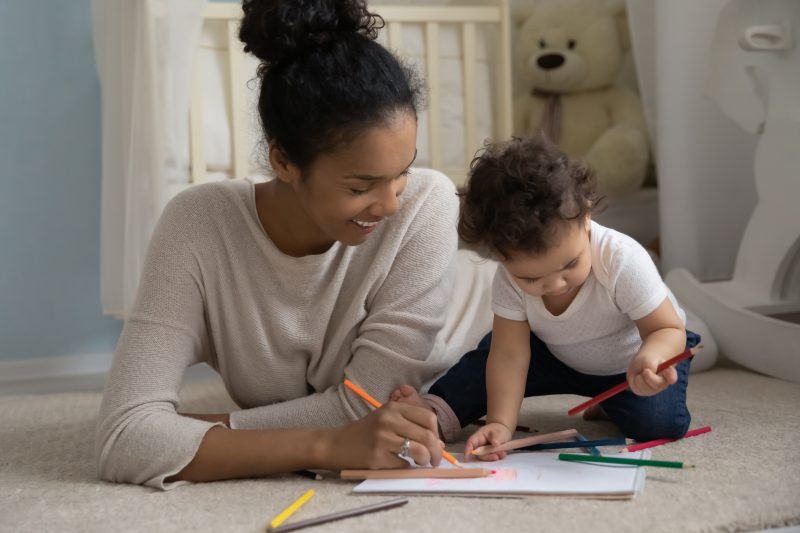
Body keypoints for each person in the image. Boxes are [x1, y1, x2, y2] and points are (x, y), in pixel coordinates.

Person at [95, 0, 493, 489]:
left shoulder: (425, 204)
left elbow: (360, 405)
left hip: (515, 330)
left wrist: (200, 431)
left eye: (402, 172)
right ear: (284, 162)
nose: (389, 204)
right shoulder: (197, 226)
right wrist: (324, 445)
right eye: (359, 186)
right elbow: (123, 439)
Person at [392, 136, 701, 459]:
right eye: (531, 278)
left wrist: (652, 358)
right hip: (553, 351)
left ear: (585, 218)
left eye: (569, 265)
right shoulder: (508, 280)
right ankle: (434, 413)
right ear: (500, 258)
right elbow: (510, 356)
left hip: (629, 359)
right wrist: (500, 422)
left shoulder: (621, 259)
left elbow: (666, 329)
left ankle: (613, 400)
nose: (555, 285)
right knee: (491, 359)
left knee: (658, 423)